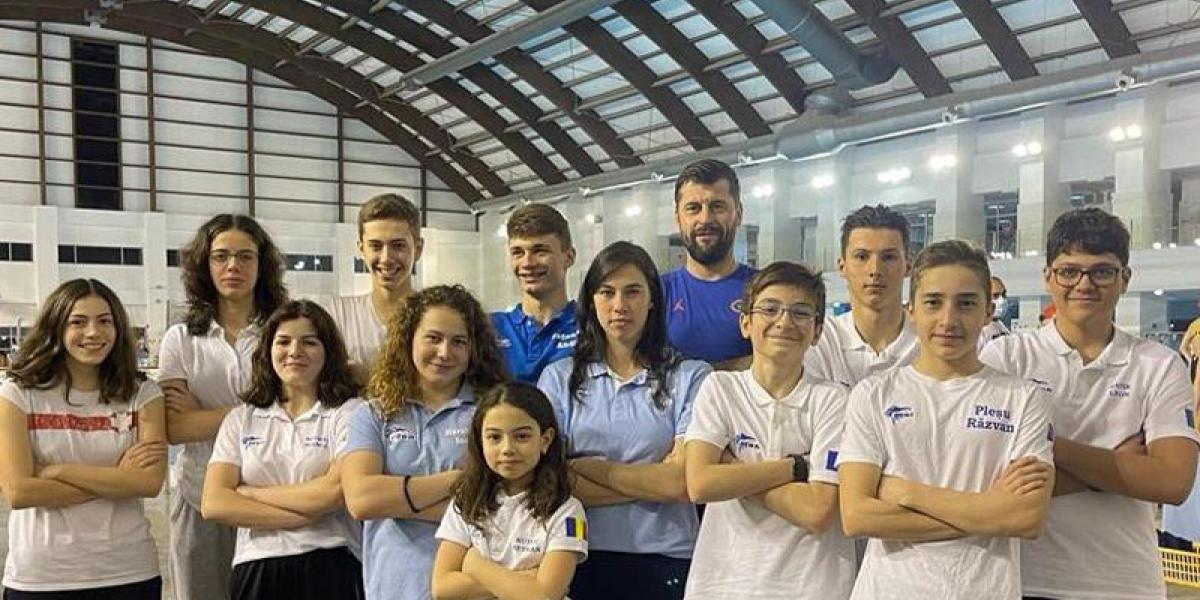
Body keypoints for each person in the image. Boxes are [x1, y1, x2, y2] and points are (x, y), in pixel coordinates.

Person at [980, 208, 1200, 600]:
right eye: (1069, 271)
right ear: (1048, 276)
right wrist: (1119, 464)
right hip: (1024, 579)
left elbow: (1172, 482)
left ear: (1124, 278)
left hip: (1125, 583)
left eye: (1101, 271)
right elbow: (987, 481)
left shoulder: (1159, 365)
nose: (1084, 284)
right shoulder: (1007, 358)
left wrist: (1044, 447)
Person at [839, 240, 1055, 600]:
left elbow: (1025, 519)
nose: (948, 320)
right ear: (911, 309)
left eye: (966, 304)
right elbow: (857, 516)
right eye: (933, 303)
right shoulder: (873, 394)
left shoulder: (1024, 398)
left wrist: (907, 493)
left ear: (988, 312)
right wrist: (988, 511)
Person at [538, 241, 711, 600]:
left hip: (666, 558)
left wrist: (586, 467)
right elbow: (548, 484)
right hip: (576, 554)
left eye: (633, 292)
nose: (620, 305)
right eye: (607, 292)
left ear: (652, 300)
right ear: (591, 301)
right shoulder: (558, 379)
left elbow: (683, 484)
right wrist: (653, 479)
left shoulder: (691, 377)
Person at [683, 262, 854, 600]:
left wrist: (732, 469)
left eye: (800, 312)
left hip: (813, 586)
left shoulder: (834, 400)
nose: (784, 322)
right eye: (770, 309)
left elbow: (817, 511)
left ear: (818, 331)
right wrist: (796, 467)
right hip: (724, 584)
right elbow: (700, 485)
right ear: (746, 323)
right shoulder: (721, 389)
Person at [0, 278, 167, 599]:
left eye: (104, 321)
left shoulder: (142, 393)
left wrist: (56, 471)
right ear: (56, 327)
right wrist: (118, 478)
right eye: (78, 322)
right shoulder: (18, 394)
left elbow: (148, 482)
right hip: (42, 576)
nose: (93, 332)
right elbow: (19, 491)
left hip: (128, 570)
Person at [341, 285, 508, 600]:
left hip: (473, 589)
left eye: (459, 342)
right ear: (408, 340)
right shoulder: (373, 413)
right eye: (433, 338)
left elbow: (499, 508)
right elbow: (361, 500)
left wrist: (395, 504)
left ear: (474, 349)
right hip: (393, 589)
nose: (445, 352)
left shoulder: (493, 412)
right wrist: (459, 481)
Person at [160, 214, 288, 600]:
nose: (233, 266)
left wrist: (204, 415)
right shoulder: (181, 339)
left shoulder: (284, 334)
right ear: (205, 264)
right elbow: (175, 428)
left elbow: (296, 412)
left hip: (272, 493)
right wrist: (260, 411)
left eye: (245, 256)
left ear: (262, 265)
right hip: (200, 497)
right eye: (221, 256)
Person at [201, 300, 364, 600]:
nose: (295, 351)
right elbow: (215, 502)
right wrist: (303, 515)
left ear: (328, 351)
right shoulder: (241, 419)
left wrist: (250, 494)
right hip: (257, 563)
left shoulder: (348, 413)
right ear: (268, 350)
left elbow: (335, 492)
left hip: (330, 558)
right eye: (284, 342)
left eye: (309, 342)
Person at [431, 382, 587, 600]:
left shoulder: (568, 511)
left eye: (521, 436)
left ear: (545, 440)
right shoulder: (465, 501)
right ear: (480, 441)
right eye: (494, 437)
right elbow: (442, 588)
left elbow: (543, 596)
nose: (507, 449)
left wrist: (476, 565)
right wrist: (526, 582)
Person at [804, 204, 919, 390]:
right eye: (861, 257)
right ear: (842, 266)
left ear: (908, 265)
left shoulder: (930, 341)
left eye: (888, 257)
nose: (875, 270)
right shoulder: (820, 340)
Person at [661, 159, 755, 369]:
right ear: (678, 218)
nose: (705, 219)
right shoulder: (657, 292)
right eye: (693, 208)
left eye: (717, 207)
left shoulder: (764, 288)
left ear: (738, 214)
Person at [325, 193, 424, 384]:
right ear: (361, 249)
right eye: (376, 246)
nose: (386, 258)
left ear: (418, 249)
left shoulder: (436, 318)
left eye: (398, 246)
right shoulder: (337, 316)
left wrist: (367, 378)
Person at [491, 203, 579, 384]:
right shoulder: (488, 328)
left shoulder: (591, 327)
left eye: (540, 251)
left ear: (569, 257)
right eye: (518, 253)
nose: (527, 263)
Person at [979, 276, 1013, 351]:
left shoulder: (1000, 326)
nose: (1002, 300)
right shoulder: (978, 331)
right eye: (996, 295)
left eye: (1003, 295)